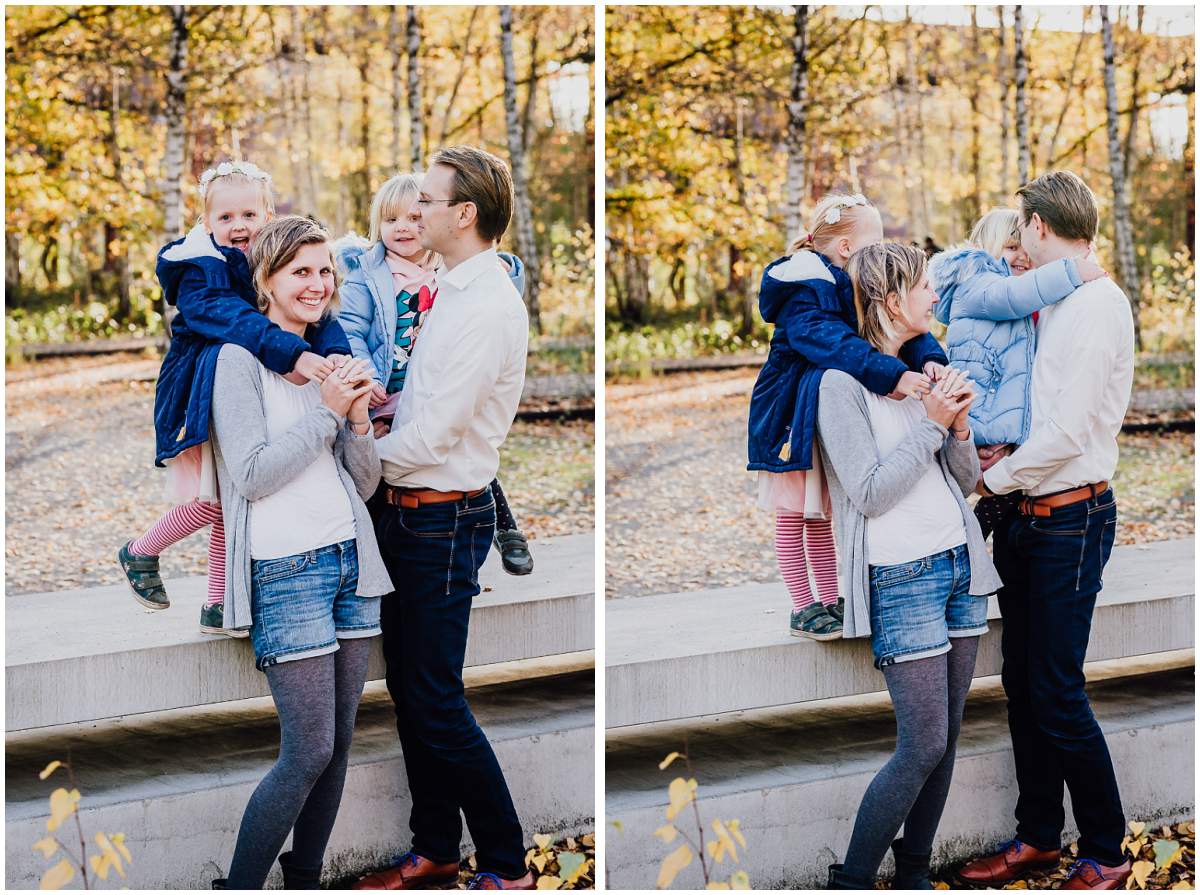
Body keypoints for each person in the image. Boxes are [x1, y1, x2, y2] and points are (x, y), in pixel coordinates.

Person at [350, 146, 534, 891]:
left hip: (443, 519)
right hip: (409, 514)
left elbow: (434, 438)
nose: (415, 210)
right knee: (412, 692)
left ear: (465, 214)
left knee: (435, 696)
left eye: (427, 200)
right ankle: (435, 849)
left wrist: (358, 454)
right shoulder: (453, 289)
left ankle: (505, 862)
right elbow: (419, 411)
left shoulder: (488, 304)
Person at [958, 172, 1135, 891]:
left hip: (1071, 518)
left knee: (1057, 687)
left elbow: (1067, 431)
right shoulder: (1050, 300)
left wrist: (990, 481)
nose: (1015, 246)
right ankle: (1037, 837)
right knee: (1021, 683)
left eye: (1020, 230)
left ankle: (1108, 850)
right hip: (1025, 518)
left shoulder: (1098, 305)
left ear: (1037, 225)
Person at [207, 216, 392, 889]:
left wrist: (355, 417)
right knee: (307, 748)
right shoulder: (236, 359)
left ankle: (306, 878)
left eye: (323, 272)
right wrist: (324, 409)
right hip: (287, 572)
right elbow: (252, 476)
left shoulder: (331, 358)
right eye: (300, 272)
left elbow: (364, 481)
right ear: (267, 280)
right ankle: (241, 885)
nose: (316, 285)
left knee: (338, 747)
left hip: (352, 563)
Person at [817, 242, 1002, 889]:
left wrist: (957, 427)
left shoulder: (926, 367)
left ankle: (915, 872)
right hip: (902, 578)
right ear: (892, 300)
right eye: (924, 286)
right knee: (921, 743)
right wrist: (929, 422)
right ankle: (854, 879)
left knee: (945, 741)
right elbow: (868, 492)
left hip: (959, 567)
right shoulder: (841, 384)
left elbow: (968, 479)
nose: (934, 296)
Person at [118, 161, 351, 635]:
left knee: (228, 499)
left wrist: (340, 359)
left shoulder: (274, 255)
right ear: (206, 223)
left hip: (250, 381)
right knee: (219, 496)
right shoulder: (199, 270)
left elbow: (317, 312)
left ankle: (217, 604)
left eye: (249, 214)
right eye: (225, 218)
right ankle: (142, 550)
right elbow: (234, 321)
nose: (238, 225)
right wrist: (295, 355)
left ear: (268, 213)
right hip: (202, 389)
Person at [747, 193, 950, 640]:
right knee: (791, 514)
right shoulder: (805, 293)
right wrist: (891, 374)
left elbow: (895, 325)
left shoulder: (848, 283)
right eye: (873, 239)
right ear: (844, 248)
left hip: (819, 417)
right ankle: (803, 605)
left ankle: (832, 597)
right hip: (788, 419)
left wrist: (929, 356)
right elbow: (836, 344)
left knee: (819, 514)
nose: (880, 248)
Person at [334, 171, 535, 576]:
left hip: (429, 392)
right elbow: (351, 329)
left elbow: (490, 285)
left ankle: (506, 526)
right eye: (392, 221)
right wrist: (366, 375)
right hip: (383, 389)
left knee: (463, 447)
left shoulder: (446, 272)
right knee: (375, 467)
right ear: (378, 226)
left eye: (414, 216)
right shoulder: (369, 275)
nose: (405, 227)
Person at [928, 207, 1107, 538]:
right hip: (983, 420)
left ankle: (968, 547)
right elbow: (1013, 295)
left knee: (992, 507)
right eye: (1012, 248)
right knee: (972, 506)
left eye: (1026, 248)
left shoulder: (1020, 306)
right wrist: (1071, 270)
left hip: (1002, 426)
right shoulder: (979, 284)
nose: (1023, 257)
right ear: (988, 249)